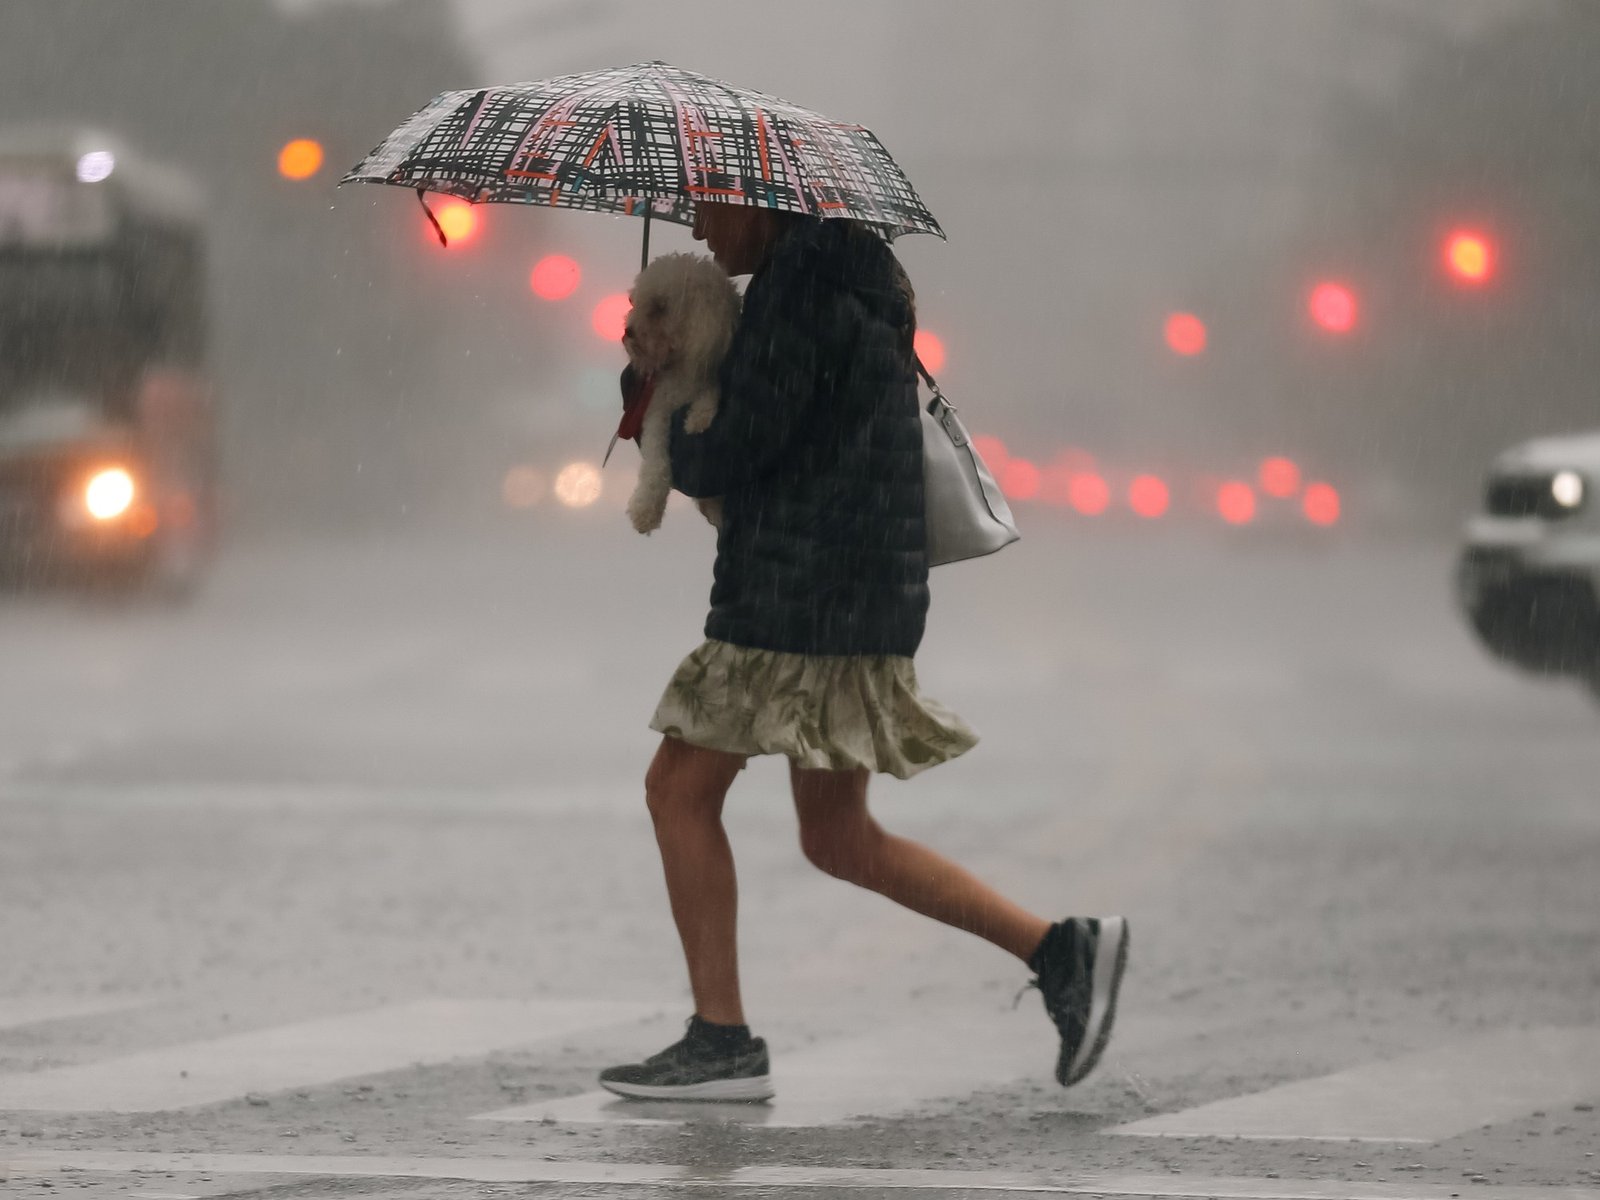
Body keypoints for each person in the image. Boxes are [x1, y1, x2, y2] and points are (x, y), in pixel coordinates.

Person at [599, 199, 1128, 1102]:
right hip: (851, 592)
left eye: (711, 202)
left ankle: (721, 1041)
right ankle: (1060, 952)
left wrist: (651, 400)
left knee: (677, 791)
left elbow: (737, 449)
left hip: (798, 597)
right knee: (838, 837)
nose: (699, 227)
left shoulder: (799, 290)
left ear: (759, 199)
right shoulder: (846, 277)